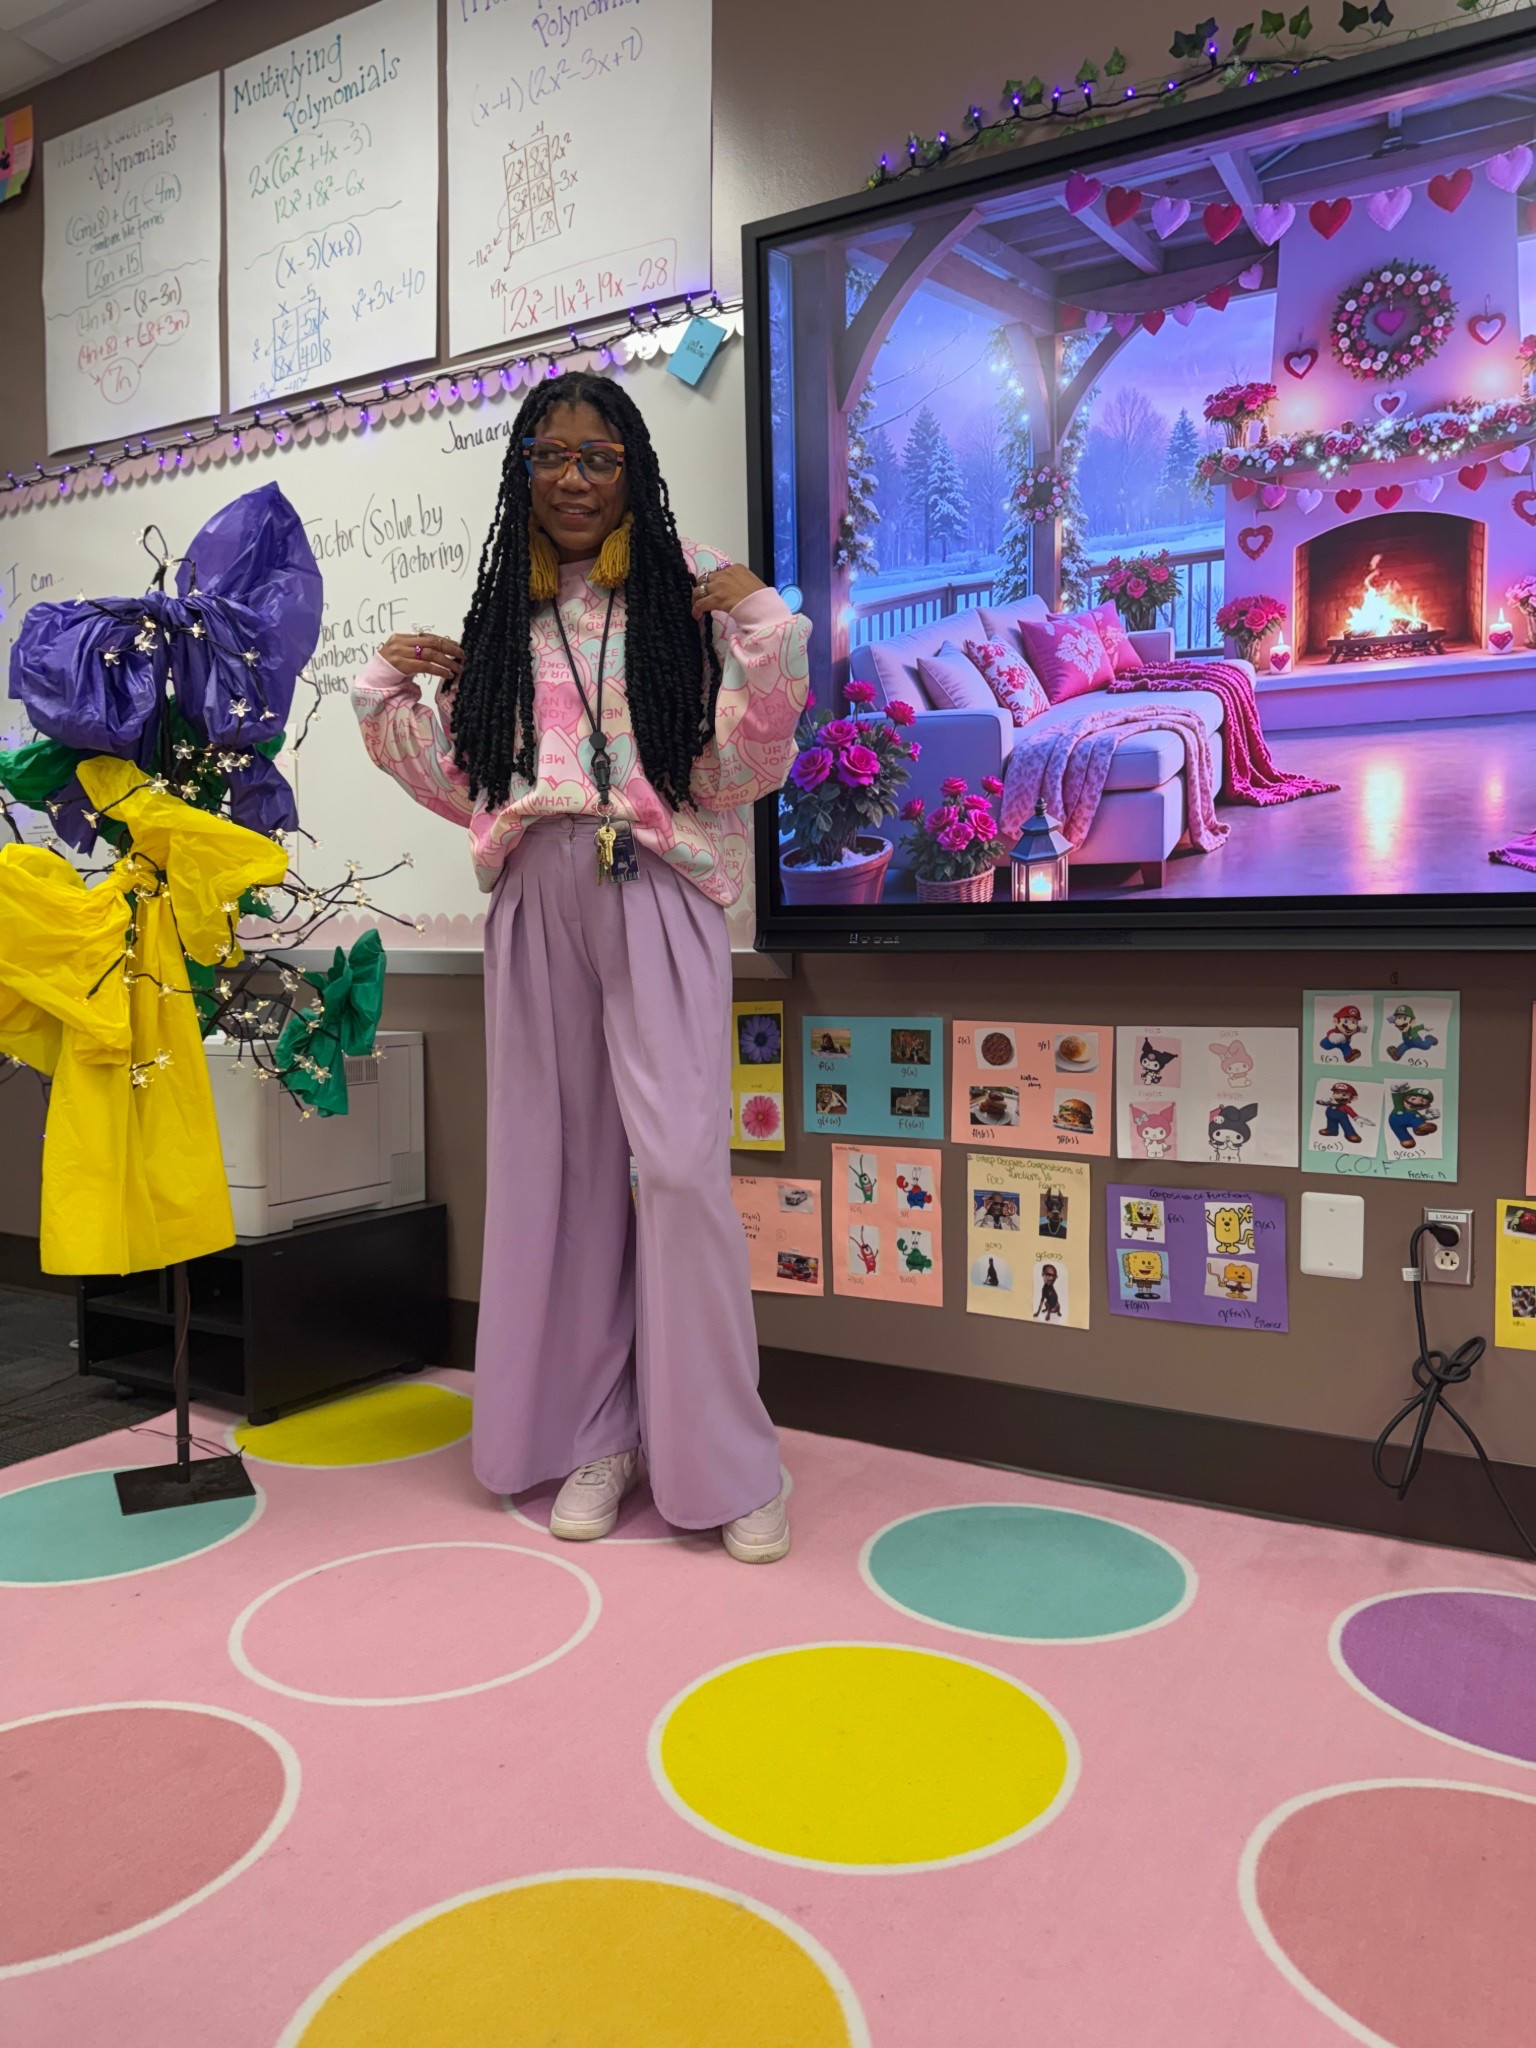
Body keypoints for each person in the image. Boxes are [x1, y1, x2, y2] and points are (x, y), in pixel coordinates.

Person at [351, 371, 809, 1562]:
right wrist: (393, 686)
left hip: (653, 886)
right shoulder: (507, 612)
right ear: (522, 474)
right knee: (554, 1174)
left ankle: (727, 1456)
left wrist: (760, 622)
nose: (570, 478)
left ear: (633, 469)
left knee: (680, 1171)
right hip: (534, 892)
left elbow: (736, 772)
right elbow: (468, 780)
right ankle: (595, 1434)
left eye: (596, 457)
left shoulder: (684, 586)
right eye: (548, 458)